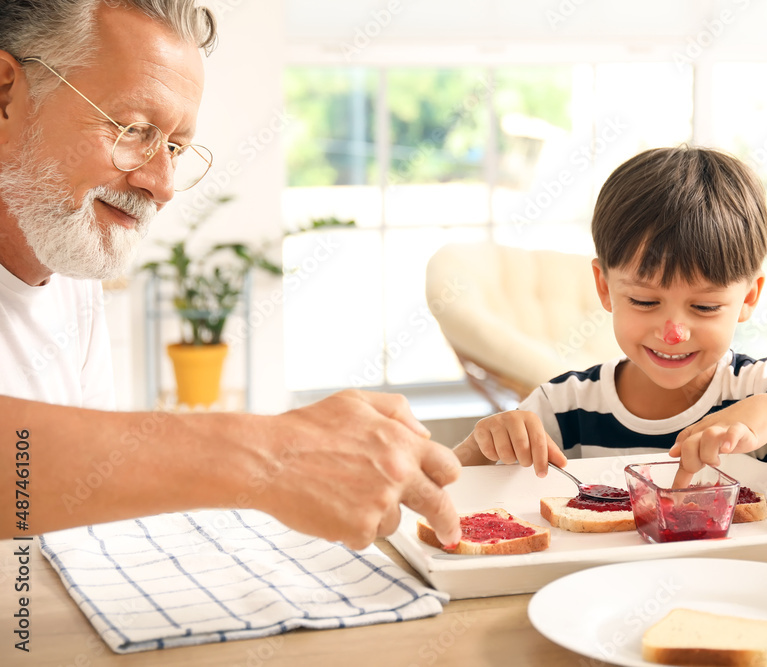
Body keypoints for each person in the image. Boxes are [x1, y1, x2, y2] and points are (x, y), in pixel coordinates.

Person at [0, 0, 461, 549]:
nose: (162, 184)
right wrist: (272, 454)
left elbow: (61, 495)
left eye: (174, 147)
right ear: (7, 95)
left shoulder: (69, 269)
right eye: (132, 128)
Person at [454, 146, 767, 487]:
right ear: (604, 287)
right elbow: (443, 485)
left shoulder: (758, 396)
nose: (673, 332)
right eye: (645, 302)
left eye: (706, 307)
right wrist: (483, 443)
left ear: (749, 297)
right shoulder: (565, 406)